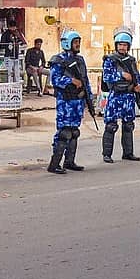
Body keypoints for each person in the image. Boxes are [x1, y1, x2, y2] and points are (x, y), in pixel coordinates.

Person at [47, 29, 92, 174]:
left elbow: (85, 80)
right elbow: (55, 80)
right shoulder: (58, 60)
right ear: (68, 43)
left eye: (78, 42)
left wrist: (89, 98)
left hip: (77, 101)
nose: (78, 45)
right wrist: (71, 80)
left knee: (74, 132)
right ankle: (54, 164)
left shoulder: (80, 60)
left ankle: (69, 161)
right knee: (64, 133)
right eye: (75, 42)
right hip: (65, 102)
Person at [101, 29, 140, 163]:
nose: (122, 47)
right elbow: (107, 77)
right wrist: (121, 75)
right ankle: (107, 154)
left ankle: (128, 153)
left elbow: (136, 75)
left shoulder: (131, 60)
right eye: (120, 44)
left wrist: (138, 85)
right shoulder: (110, 60)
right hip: (115, 96)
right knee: (111, 126)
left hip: (128, 96)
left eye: (124, 45)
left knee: (128, 125)